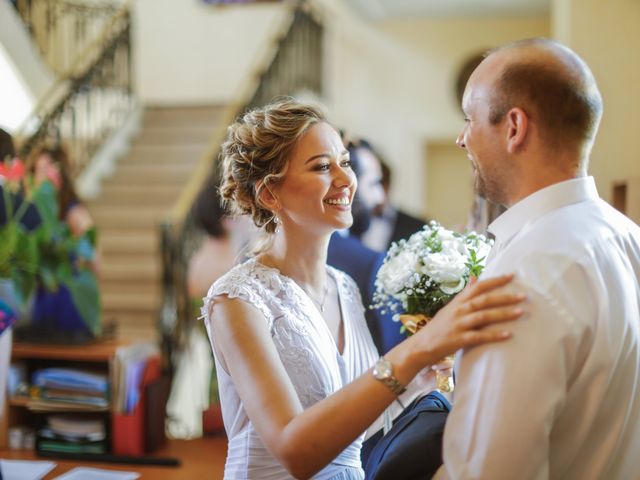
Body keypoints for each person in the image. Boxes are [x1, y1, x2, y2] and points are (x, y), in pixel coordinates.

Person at [202, 99, 526, 479]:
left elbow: (362, 424)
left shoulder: (345, 287)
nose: (345, 180)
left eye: (345, 162)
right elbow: (296, 451)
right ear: (270, 194)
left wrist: (423, 372)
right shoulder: (238, 300)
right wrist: (418, 348)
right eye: (323, 167)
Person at [435, 38, 640, 479]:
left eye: (469, 119)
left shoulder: (524, 273)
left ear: (514, 128)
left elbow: (491, 470)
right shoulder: (629, 238)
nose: (461, 138)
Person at [29, 145, 100, 336]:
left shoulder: (73, 212)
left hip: (66, 297)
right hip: (46, 295)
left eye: (44, 171)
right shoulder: (39, 213)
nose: (39, 178)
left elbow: (94, 258)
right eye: (37, 171)